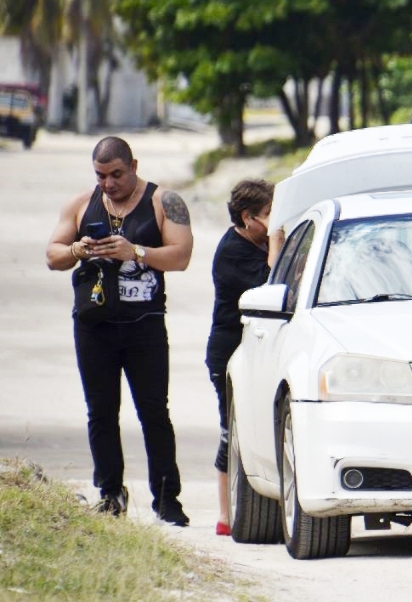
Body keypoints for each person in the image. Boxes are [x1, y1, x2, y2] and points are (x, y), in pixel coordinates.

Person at [45, 136, 194, 526]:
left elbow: (181, 256)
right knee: (101, 413)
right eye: (100, 175)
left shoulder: (164, 202)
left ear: (134, 165)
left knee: (153, 413)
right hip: (95, 326)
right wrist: (78, 250)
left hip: (144, 325)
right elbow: (53, 255)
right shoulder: (81, 204)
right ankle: (110, 493)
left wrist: (137, 252)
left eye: (116, 174)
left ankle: (166, 498)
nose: (108, 184)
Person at [206, 178, 282, 536]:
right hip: (229, 349)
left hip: (256, 346)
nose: (274, 221)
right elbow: (269, 284)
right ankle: (226, 514)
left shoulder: (256, 240)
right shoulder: (232, 251)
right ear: (248, 218)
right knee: (231, 429)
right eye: (269, 215)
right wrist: (278, 242)